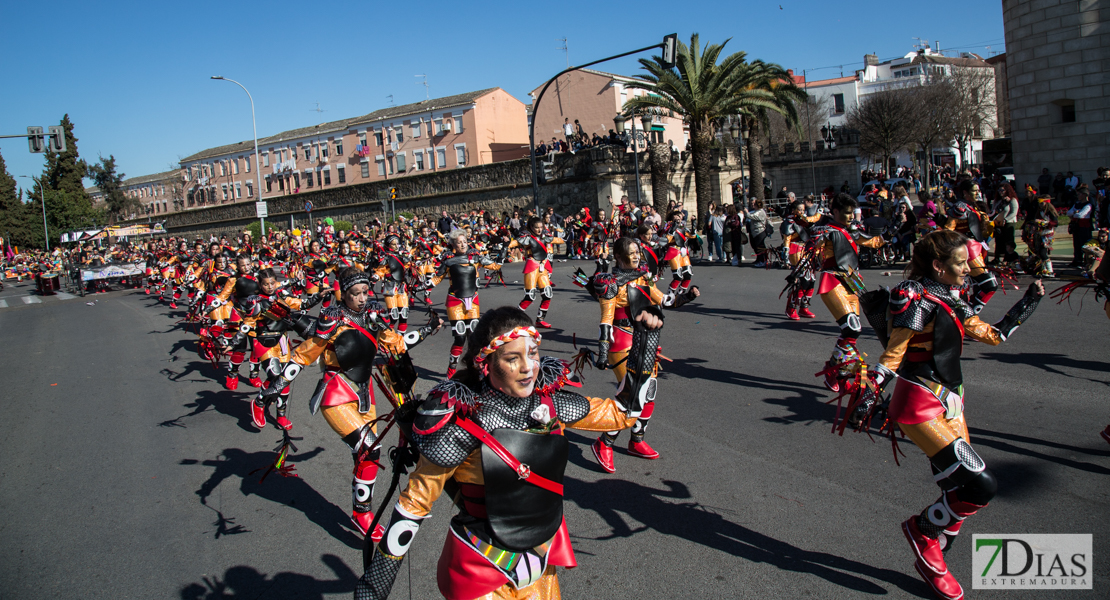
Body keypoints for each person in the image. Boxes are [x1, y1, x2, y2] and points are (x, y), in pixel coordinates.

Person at [355, 306, 663, 599]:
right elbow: (413, 507)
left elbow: (624, 412)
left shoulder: (553, 406)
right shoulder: (460, 425)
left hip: (541, 562)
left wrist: (645, 342)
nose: (528, 367)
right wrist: (375, 586)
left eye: (533, 353)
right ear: (484, 363)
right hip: (481, 565)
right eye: (513, 358)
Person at [861, 230, 1044, 600]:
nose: (967, 270)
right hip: (919, 403)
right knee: (982, 485)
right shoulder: (913, 297)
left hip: (952, 401)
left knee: (958, 488)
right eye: (960, 263)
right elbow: (895, 353)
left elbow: (993, 336)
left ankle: (932, 554)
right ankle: (922, 531)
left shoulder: (949, 296)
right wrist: (871, 388)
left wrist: (1029, 302)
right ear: (938, 266)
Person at [262, 267, 441, 539]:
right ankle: (362, 512)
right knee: (371, 447)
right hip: (336, 394)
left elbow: (397, 345)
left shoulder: (371, 316)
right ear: (343, 294)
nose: (360, 298)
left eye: (364, 292)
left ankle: (361, 508)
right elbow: (303, 355)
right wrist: (275, 386)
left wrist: (428, 329)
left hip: (364, 395)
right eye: (354, 293)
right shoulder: (331, 321)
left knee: (363, 453)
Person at [588, 237, 699, 472]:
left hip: (645, 338)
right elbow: (606, 320)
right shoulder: (610, 283)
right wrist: (602, 350)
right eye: (631, 253)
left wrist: (687, 297)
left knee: (648, 392)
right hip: (621, 342)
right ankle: (604, 443)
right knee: (630, 394)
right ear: (618, 257)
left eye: (638, 251)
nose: (637, 255)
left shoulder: (643, 277)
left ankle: (636, 440)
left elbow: (664, 300)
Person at [428, 229, 504, 377]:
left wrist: (505, 249)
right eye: (459, 242)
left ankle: (474, 369)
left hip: (473, 301)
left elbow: (495, 266)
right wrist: (423, 286)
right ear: (453, 245)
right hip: (455, 301)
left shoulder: (475, 258)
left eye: (464, 241)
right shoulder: (448, 261)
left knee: (474, 337)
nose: (463, 244)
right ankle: (451, 370)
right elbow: (436, 278)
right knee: (460, 338)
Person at [507, 217, 558, 328]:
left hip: (543, 266)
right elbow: (515, 242)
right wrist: (507, 244)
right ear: (531, 227)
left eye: (541, 227)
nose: (539, 230)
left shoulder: (544, 236)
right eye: (537, 227)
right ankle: (515, 319)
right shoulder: (526, 237)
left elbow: (559, 239)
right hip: (532, 266)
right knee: (530, 296)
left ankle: (540, 320)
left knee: (547, 295)